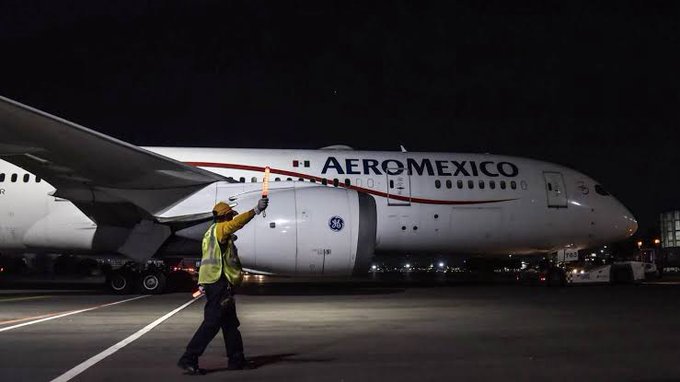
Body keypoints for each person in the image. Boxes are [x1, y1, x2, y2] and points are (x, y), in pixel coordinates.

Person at [178, 197, 269, 375]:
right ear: (225, 217)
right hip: (218, 283)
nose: (231, 220)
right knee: (212, 323)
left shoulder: (210, 233)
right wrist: (255, 211)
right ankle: (188, 358)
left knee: (230, 324)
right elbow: (234, 225)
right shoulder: (220, 229)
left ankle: (237, 360)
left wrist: (203, 283)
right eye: (230, 217)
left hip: (216, 282)